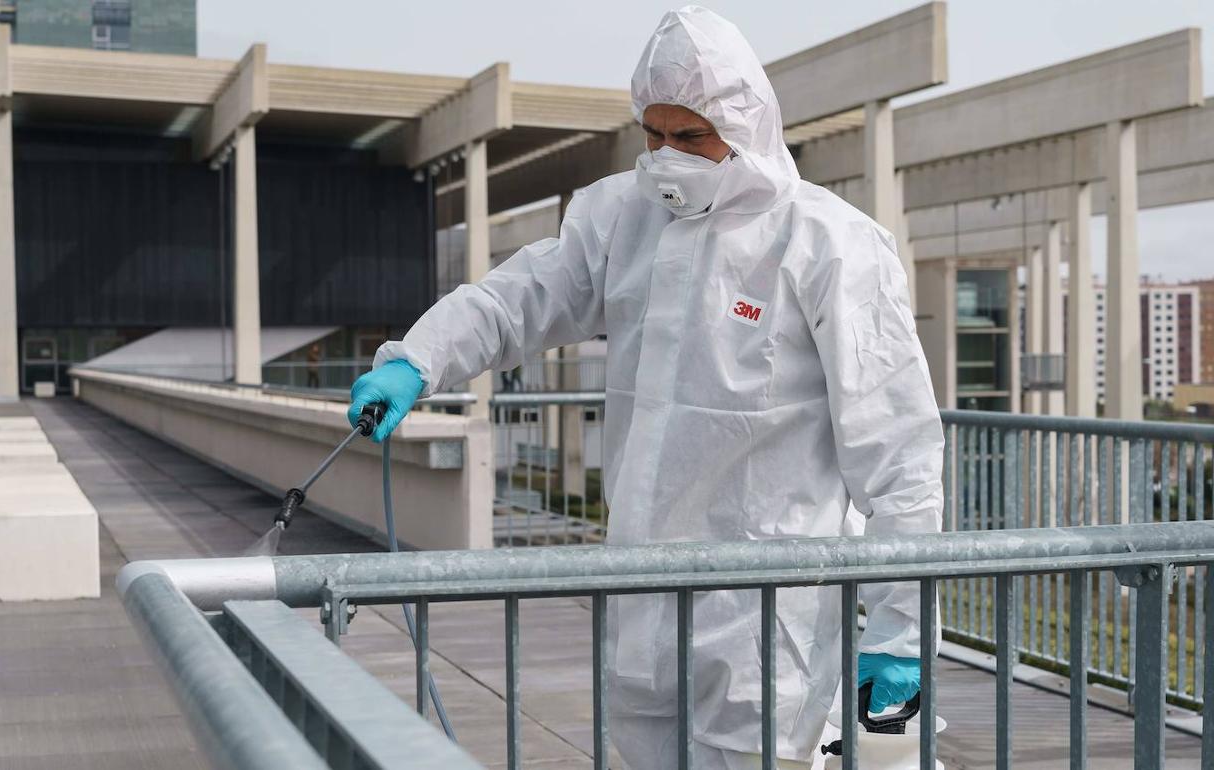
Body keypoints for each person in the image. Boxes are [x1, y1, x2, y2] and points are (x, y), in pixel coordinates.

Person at [348, 6, 944, 768]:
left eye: (691, 136)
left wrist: (899, 634)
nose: (668, 156)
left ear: (747, 123)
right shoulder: (619, 217)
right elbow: (518, 299)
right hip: (641, 591)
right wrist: (419, 359)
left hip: (766, 609)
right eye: (654, 135)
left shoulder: (830, 246)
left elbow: (899, 453)